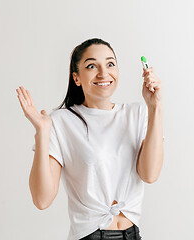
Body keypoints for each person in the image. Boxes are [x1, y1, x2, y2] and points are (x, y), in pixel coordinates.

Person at [16, 38, 164, 240]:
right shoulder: (61, 121)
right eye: (92, 66)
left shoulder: (138, 113)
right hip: (90, 235)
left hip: (133, 235)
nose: (104, 73)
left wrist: (155, 107)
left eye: (110, 64)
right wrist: (42, 132)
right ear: (76, 78)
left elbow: (149, 174)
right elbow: (42, 200)